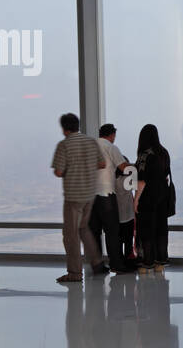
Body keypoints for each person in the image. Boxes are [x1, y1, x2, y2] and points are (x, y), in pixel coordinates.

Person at [52, 112, 107, 283]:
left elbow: (59, 171)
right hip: (90, 195)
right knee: (84, 229)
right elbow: (102, 163)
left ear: (64, 128)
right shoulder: (90, 141)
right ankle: (97, 263)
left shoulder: (64, 145)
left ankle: (74, 273)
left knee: (70, 235)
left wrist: (72, 169)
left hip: (74, 196)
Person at [90, 123, 131, 273]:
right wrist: (136, 167)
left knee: (94, 231)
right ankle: (116, 264)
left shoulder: (90, 146)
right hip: (106, 194)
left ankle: (97, 265)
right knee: (112, 231)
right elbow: (123, 168)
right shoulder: (110, 147)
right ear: (112, 135)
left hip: (90, 196)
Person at [134, 123, 172, 273]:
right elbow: (166, 175)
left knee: (147, 229)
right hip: (163, 196)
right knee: (161, 229)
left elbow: (142, 180)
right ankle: (160, 263)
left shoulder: (145, 154)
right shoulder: (164, 152)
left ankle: (147, 262)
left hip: (148, 197)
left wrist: (136, 199)